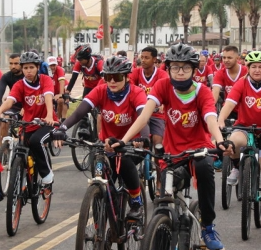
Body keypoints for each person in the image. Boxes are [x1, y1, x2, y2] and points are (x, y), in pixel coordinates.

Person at [116, 43, 229, 250]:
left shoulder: (202, 92)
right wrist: (124, 141)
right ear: (168, 69)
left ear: (194, 70)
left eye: (185, 67)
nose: (180, 72)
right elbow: (144, 116)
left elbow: (210, 118)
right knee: (162, 208)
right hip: (172, 154)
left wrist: (219, 140)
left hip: (198, 150)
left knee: (205, 168)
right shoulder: (163, 86)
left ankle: (208, 227)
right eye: (175, 67)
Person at [58, 56, 148, 219]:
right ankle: (101, 223)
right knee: (101, 172)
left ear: (127, 77)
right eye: (108, 77)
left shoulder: (136, 93)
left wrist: (143, 138)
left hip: (131, 145)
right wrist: (62, 127)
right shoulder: (100, 90)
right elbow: (79, 111)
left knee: (125, 161)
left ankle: (136, 201)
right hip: (106, 144)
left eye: (117, 77)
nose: (112, 81)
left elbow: (143, 118)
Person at [217, 51, 261, 220]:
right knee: (233, 142)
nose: (257, 70)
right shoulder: (241, 84)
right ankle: (235, 167)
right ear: (247, 68)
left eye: (260, 67)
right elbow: (230, 103)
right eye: (253, 66)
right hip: (244, 127)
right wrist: (220, 120)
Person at [0, 52, 57, 198]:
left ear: (38, 68)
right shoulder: (19, 84)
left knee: (36, 141)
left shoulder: (45, 80)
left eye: (31, 67)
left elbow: (48, 96)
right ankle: (23, 178)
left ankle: (47, 176)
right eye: (26, 68)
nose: (28, 71)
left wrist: (48, 115)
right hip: (28, 124)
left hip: (47, 123)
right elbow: (10, 101)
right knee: (21, 148)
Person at [129, 46, 169, 148]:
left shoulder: (162, 75)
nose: (143, 60)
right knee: (139, 143)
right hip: (139, 113)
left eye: (146, 58)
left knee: (158, 144)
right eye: (141, 57)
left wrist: (163, 104)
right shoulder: (135, 73)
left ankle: (157, 164)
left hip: (157, 114)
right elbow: (130, 89)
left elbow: (167, 90)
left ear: (154, 59)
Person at [0, 53, 24, 143]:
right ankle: (4, 152)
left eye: (16, 63)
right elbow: (0, 90)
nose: (13, 66)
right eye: (11, 63)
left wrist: (26, 107)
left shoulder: (27, 75)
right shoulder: (6, 76)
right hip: (14, 106)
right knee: (5, 120)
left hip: (28, 106)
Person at [47, 56, 67, 120]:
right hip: (49, 92)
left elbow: (62, 82)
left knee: (61, 100)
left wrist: (61, 94)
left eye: (54, 65)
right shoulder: (45, 70)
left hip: (58, 91)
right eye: (51, 65)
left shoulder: (59, 69)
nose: (53, 67)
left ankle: (60, 119)